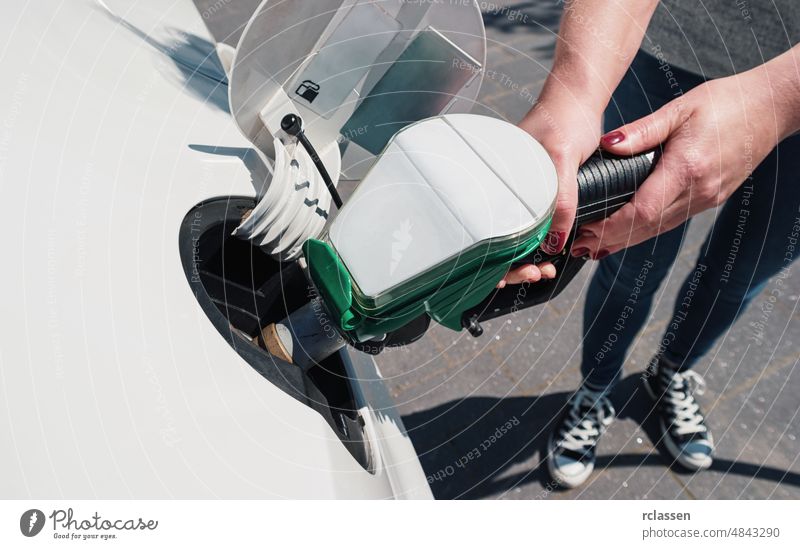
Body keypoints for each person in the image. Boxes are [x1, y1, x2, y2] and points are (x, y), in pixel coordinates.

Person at [502, 0, 800, 488]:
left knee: (743, 272)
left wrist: (776, 99)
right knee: (627, 257)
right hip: (672, 49)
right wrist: (572, 94)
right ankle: (595, 389)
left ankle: (672, 373)